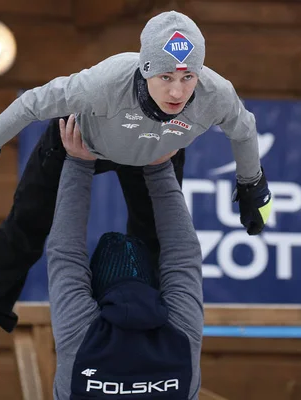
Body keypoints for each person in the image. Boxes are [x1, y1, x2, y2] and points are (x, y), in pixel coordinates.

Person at [0, 10, 272, 368]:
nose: (177, 91)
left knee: (156, 241)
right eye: (166, 76)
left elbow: (244, 130)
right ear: (146, 68)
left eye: (188, 76)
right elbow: (32, 104)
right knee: (26, 226)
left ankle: (148, 329)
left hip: (154, 156)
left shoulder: (216, 94)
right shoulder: (103, 84)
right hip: (76, 144)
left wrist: (252, 186)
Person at [46, 120, 203, 399]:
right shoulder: (80, 330)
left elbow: (183, 256)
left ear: (94, 293)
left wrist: (159, 167)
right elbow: (65, 254)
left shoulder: (83, 333)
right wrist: (158, 168)